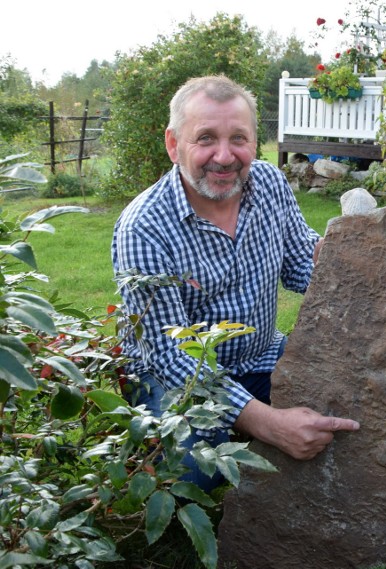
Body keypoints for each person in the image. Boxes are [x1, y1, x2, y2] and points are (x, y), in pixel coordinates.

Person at [112, 75, 359, 490]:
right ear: (174, 145)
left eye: (238, 139)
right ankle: (228, 432)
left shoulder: (269, 184)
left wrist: (376, 240)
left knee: (344, 407)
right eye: (205, 138)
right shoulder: (144, 228)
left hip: (261, 356)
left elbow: (302, 266)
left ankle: (247, 424)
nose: (224, 157)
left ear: (254, 143)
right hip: (176, 383)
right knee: (194, 476)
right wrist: (267, 424)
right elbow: (172, 360)